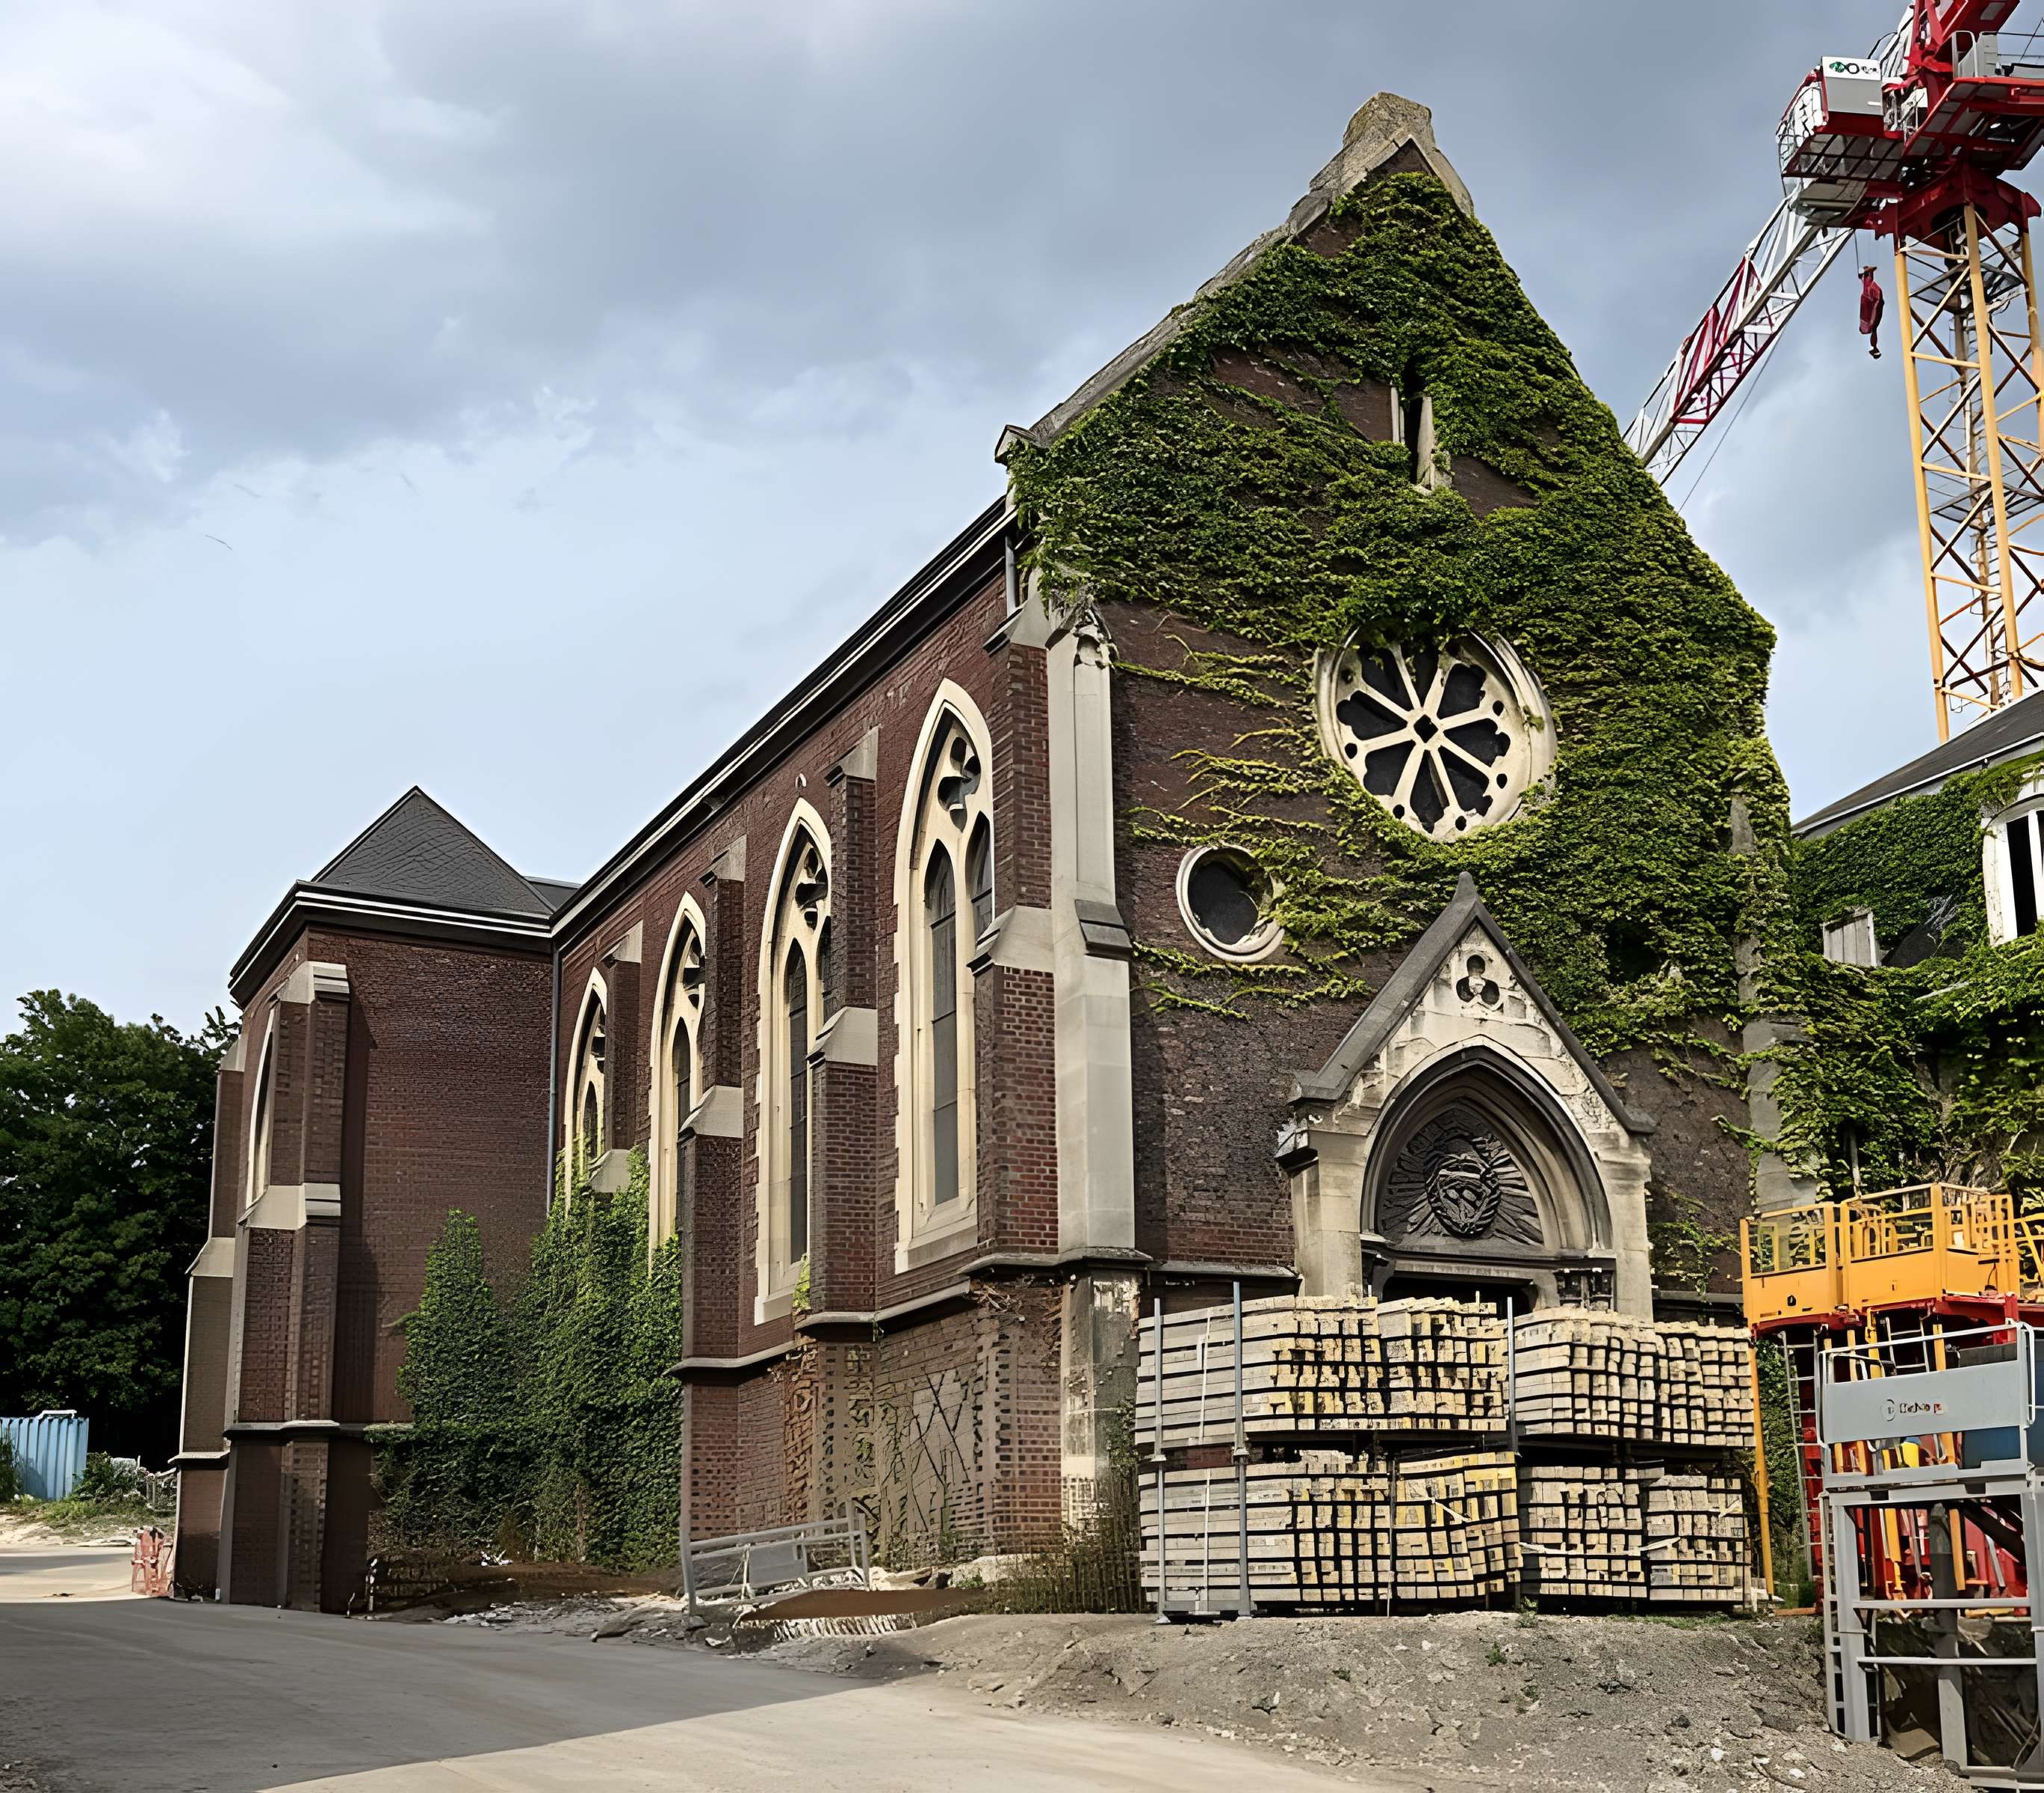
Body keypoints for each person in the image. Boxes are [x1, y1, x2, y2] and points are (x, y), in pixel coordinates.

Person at [1859, 265, 1885, 359]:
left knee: (1874, 328)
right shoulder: (1870, 285)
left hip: (1870, 304)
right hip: (1871, 304)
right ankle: (1874, 348)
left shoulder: (1868, 284)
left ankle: (1874, 348)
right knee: (1874, 328)